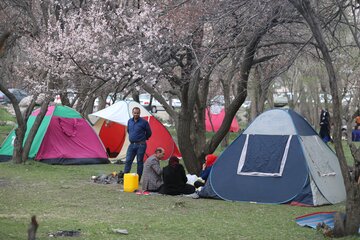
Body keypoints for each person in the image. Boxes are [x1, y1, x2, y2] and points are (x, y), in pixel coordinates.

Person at [124, 107, 152, 180]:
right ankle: (126, 177)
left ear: (139, 113)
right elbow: (128, 131)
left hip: (141, 145)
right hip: (132, 144)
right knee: (128, 160)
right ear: (132, 113)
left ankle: (138, 179)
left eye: (137, 113)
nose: (136, 114)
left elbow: (149, 133)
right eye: (134, 113)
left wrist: (143, 138)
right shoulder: (129, 121)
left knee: (139, 162)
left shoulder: (144, 122)